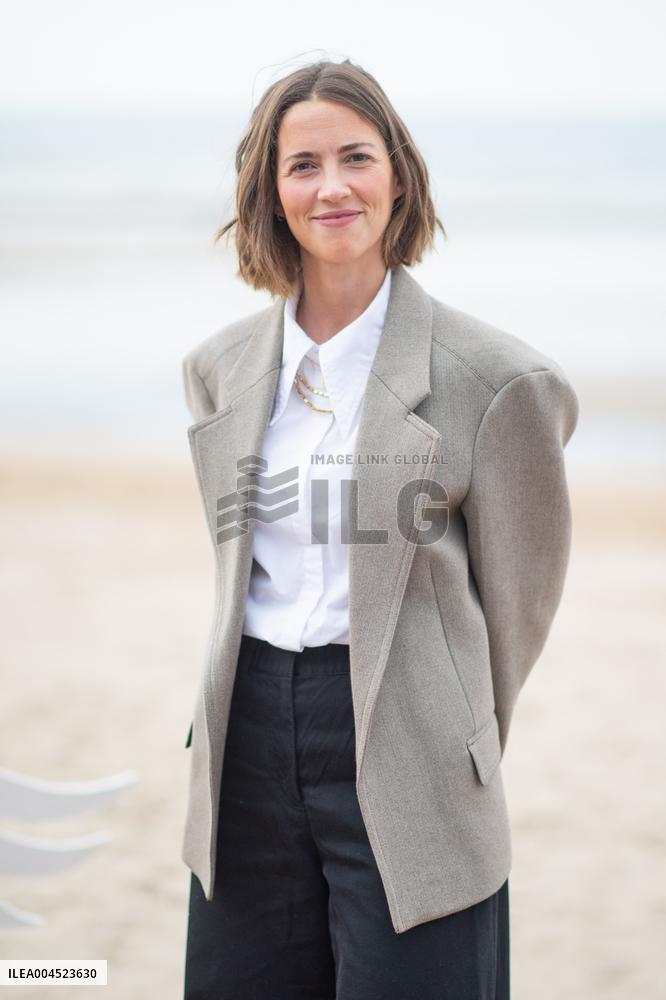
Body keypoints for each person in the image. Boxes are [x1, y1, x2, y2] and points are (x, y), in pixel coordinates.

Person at [181, 58, 579, 1000]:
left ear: (397, 175)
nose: (331, 187)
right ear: (270, 192)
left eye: (355, 157)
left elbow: (519, 606)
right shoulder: (219, 371)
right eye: (301, 165)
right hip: (244, 741)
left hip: (410, 742)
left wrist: (453, 732)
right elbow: (239, 566)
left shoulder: (499, 380)